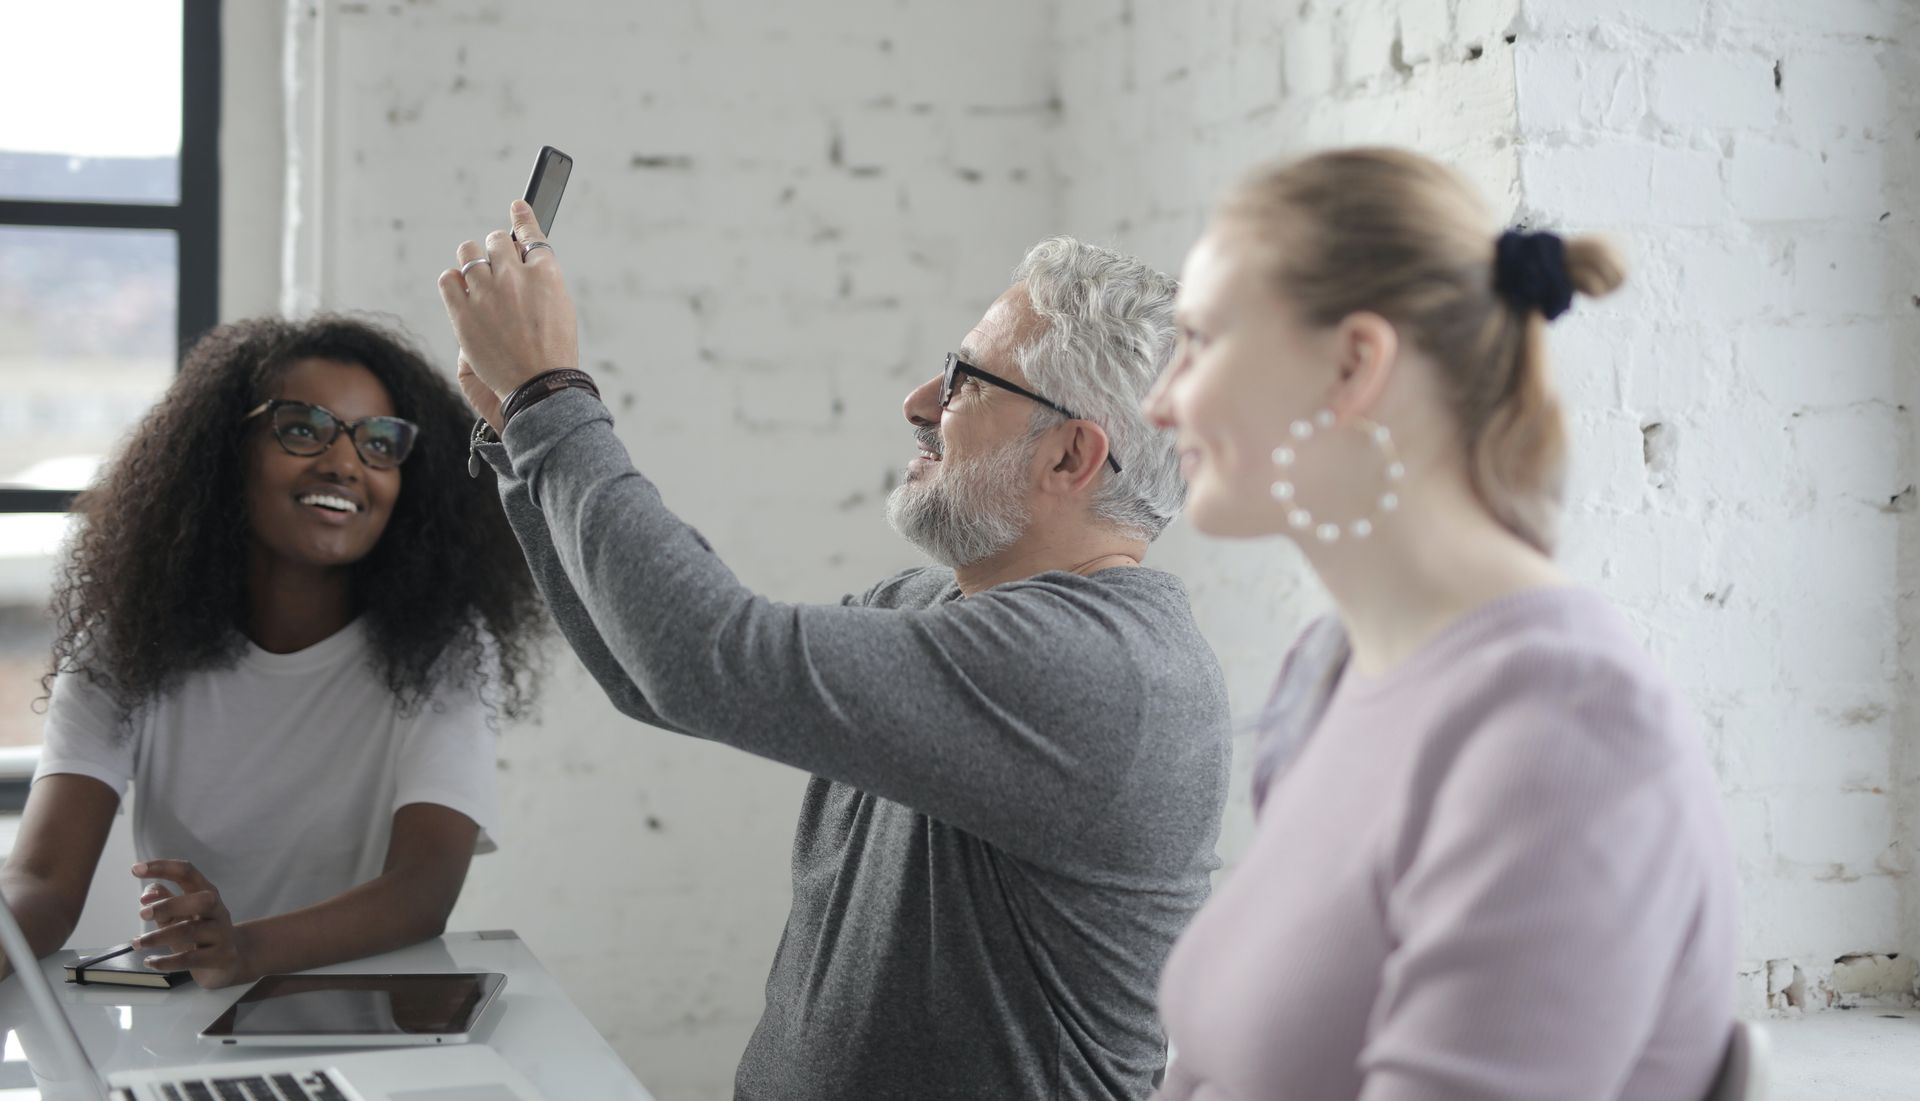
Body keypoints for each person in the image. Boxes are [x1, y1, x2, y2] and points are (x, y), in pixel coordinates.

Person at [437, 212, 1233, 1100]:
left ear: (1070, 454)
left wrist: (550, 397)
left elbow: (704, 657)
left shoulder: (1101, 670)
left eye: (965, 381)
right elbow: (654, 676)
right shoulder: (935, 608)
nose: (919, 404)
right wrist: (521, 439)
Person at [1140, 147, 1738, 1100]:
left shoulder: (1569, 730)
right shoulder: (1327, 673)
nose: (1159, 399)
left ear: (1354, 363)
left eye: (1200, 340)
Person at [0, 316, 544, 990]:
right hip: (185, 1019)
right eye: (303, 428)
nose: (345, 462)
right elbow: (42, 882)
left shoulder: (445, 650)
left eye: (379, 442)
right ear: (227, 451)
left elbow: (422, 888)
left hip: (370, 1018)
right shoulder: (127, 645)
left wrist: (242, 948)